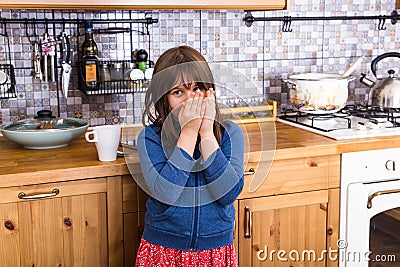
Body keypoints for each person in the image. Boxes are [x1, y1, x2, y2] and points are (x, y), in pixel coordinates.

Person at [135, 45, 244, 266]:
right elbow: (166, 192)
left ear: (210, 91)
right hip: (163, 249)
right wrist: (189, 132)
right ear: (163, 98)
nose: (190, 100)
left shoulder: (230, 134)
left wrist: (205, 133)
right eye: (178, 92)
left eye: (197, 89)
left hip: (215, 249)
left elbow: (228, 194)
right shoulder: (150, 138)